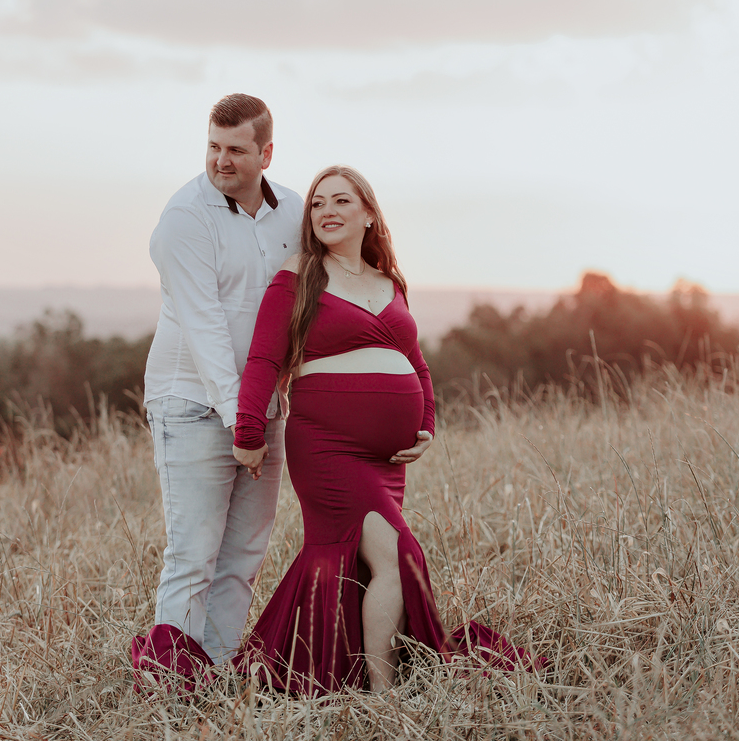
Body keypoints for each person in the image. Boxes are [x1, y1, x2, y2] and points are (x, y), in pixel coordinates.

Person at [231, 165, 540, 693]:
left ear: (369, 215)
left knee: (373, 561)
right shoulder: (299, 273)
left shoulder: (388, 281)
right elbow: (263, 358)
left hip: (386, 461)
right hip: (327, 446)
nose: (326, 211)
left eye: (341, 201)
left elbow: (416, 364)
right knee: (399, 556)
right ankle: (382, 695)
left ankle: (346, 674)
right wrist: (248, 433)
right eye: (317, 203)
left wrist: (426, 423)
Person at [132, 94, 304, 680]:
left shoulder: (293, 212)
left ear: (266, 154)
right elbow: (206, 331)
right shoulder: (185, 218)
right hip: (192, 404)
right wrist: (243, 426)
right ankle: (170, 684)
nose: (220, 161)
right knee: (193, 554)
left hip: (263, 408)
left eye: (235, 149)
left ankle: (218, 673)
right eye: (213, 146)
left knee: (245, 554)